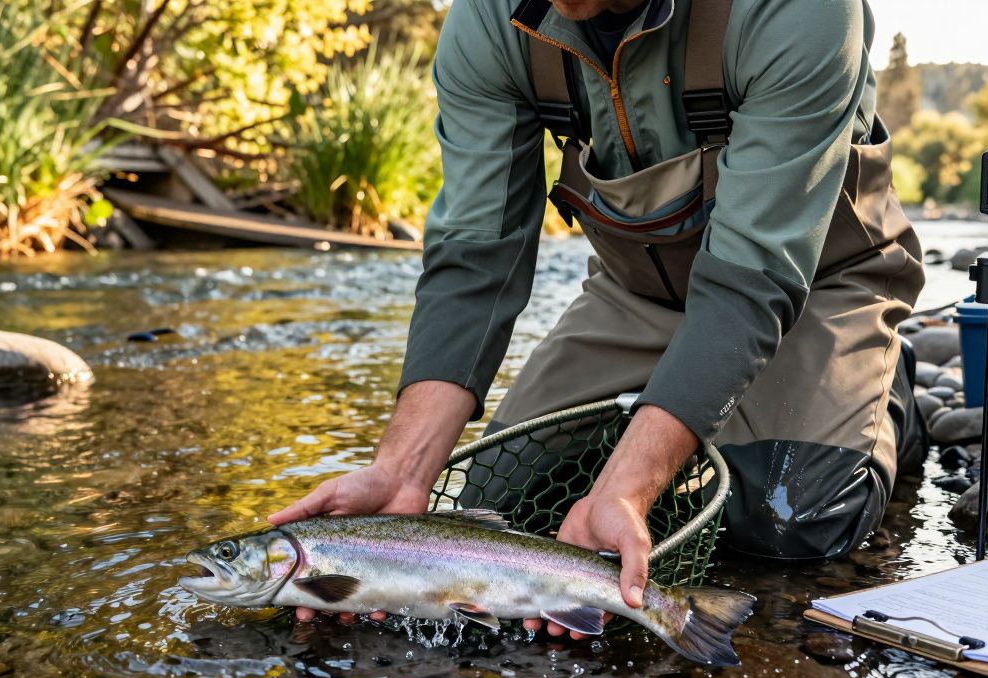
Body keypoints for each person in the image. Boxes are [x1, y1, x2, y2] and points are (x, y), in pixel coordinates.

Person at [269, 0, 928, 637]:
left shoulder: (796, 9)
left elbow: (751, 280)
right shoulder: (490, 19)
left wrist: (629, 489)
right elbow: (477, 262)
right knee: (506, 508)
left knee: (786, 519)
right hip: (636, 294)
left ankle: (884, 392)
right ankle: (690, 421)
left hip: (813, 284)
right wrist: (402, 473)